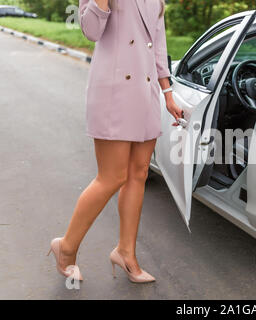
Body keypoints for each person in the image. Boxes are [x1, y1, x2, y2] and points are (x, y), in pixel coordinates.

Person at [47, 0, 183, 283]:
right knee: (111, 177)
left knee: (139, 174)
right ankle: (66, 247)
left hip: (146, 91)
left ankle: (125, 252)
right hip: (114, 90)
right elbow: (91, 30)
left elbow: (157, 43)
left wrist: (168, 93)